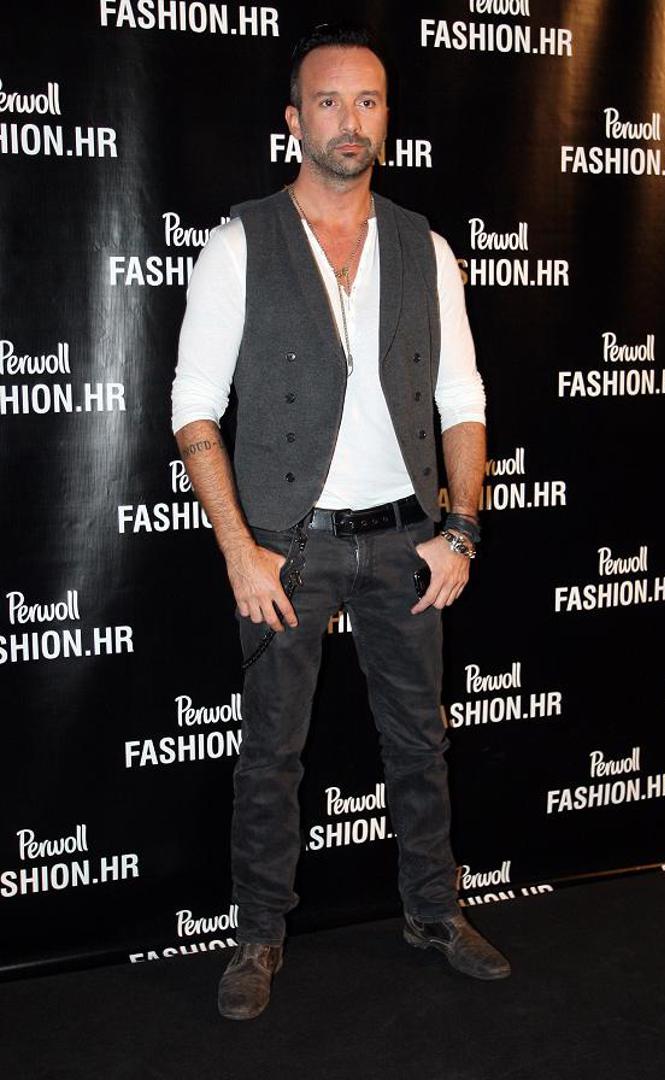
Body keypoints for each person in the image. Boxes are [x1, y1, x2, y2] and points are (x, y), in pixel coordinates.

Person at [171, 23, 510, 1021]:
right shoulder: (240, 242)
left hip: (407, 539)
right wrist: (240, 550)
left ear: (386, 118)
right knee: (271, 751)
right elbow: (193, 407)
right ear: (294, 120)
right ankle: (258, 935)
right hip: (287, 544)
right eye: (328, 101)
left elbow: (462, 399)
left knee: (419, 742)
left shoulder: (425, 247)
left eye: (367, 101)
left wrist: (460, 529)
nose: (349, 120)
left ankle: (432, 913)